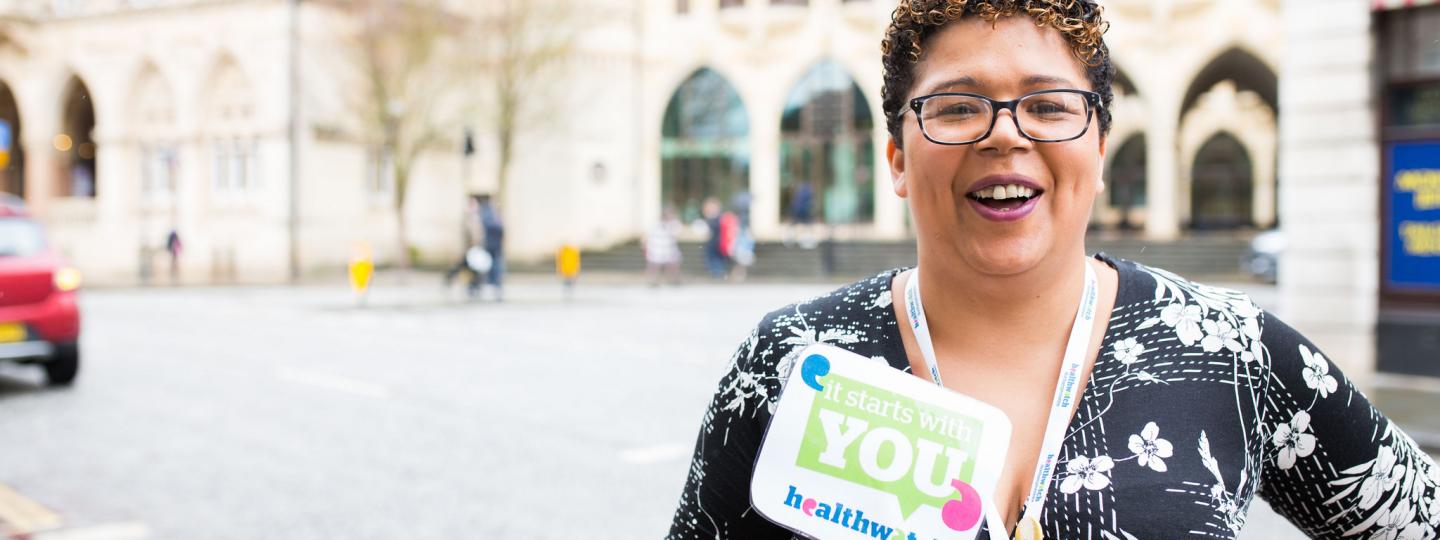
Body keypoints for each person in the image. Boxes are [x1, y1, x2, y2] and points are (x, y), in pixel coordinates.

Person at [667, 2, 1439, 539]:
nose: (1006, 136)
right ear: (898, 157)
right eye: (958, 106)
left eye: (1048, 104)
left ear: (1098, 147)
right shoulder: (794, 358)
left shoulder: (1229, 348)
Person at [444, 195, 485, 298]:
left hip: (472, 249)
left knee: (471, 268)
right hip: (470, 249)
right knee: (469, 267)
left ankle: (473, 285)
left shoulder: (474, 217)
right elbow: (472, 235)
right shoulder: (470, 218)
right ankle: (470, 285)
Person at [644, 206, 683, 286]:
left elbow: (678, 233)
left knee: (673, 265)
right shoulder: (656, 224)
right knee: (654, 266)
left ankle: (674, 280)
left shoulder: (674, 223)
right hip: (656, 247)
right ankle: (652, 280)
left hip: (669, 248)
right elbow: (648, 235)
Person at [479, 197, 505, 301]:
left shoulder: (495, 217)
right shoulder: (489, 216)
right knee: (488, 267)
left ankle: (496, 285)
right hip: (490, 247)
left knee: (496, 267)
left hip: (495, 247)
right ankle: (486, 284)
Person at [700, 197, 729, 279]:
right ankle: (716, 273)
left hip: (717, 242)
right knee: (712, 258)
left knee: (716, 258)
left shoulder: (717, 219)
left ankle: (717, 273)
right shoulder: (715, 218)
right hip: (714, 242)